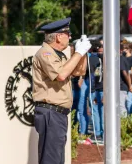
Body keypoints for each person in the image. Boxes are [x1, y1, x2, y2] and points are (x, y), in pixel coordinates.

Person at [32, 17, 91, 164]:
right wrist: (78, 53)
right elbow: (61, 75)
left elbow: (79, 72)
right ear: (58, 36)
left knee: (56, 158)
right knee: (51, 158)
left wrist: (82, 53)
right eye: (68, 33)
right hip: (50, 112)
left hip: (57, 113)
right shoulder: (45, 53)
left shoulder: (59, 54)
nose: (70, 37)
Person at [90, 43, 104, 142]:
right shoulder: (99, 63)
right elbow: (96, 76)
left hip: (103, 90)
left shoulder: (107, 63)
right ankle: (98, 133)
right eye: (98, 52)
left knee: (103, 113)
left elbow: (107, 78)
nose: (100, 53)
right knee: (96, 112)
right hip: (97, 90)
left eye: (102, 52)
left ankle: (103, 134)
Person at [119, 42, 132, 116]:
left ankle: (124, 125)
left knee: (121, 107)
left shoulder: (121, 59)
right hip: (123, 86)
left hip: (122, 86)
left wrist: (129, 85)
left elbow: (125, 72)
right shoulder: (124, 59)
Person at [123, 42, 132, 114]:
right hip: (126, 84)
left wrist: (131, 85)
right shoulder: (123, 58)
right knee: (127, 103)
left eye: (124, 49)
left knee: (130, 102)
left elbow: (131, 72)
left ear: (128, 50)